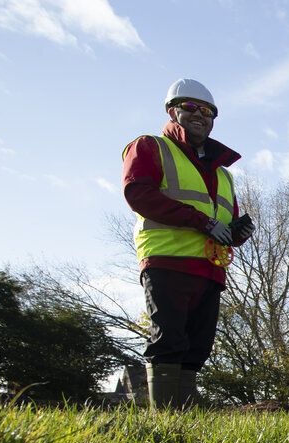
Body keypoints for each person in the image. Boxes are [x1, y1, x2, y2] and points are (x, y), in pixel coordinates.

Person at [122, 78, 252, 409]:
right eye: (190, 107)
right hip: (168, 259)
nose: (200, 115)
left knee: (198, 344)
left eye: (207, 111)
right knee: (169, 339)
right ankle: (166, 419)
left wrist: (237, 232)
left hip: (211, 269)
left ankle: (185, 411)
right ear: (172, 111)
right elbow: (139, 194)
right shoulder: (150, 146)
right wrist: (202, 222)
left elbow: (225, 220)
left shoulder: (224, 173)